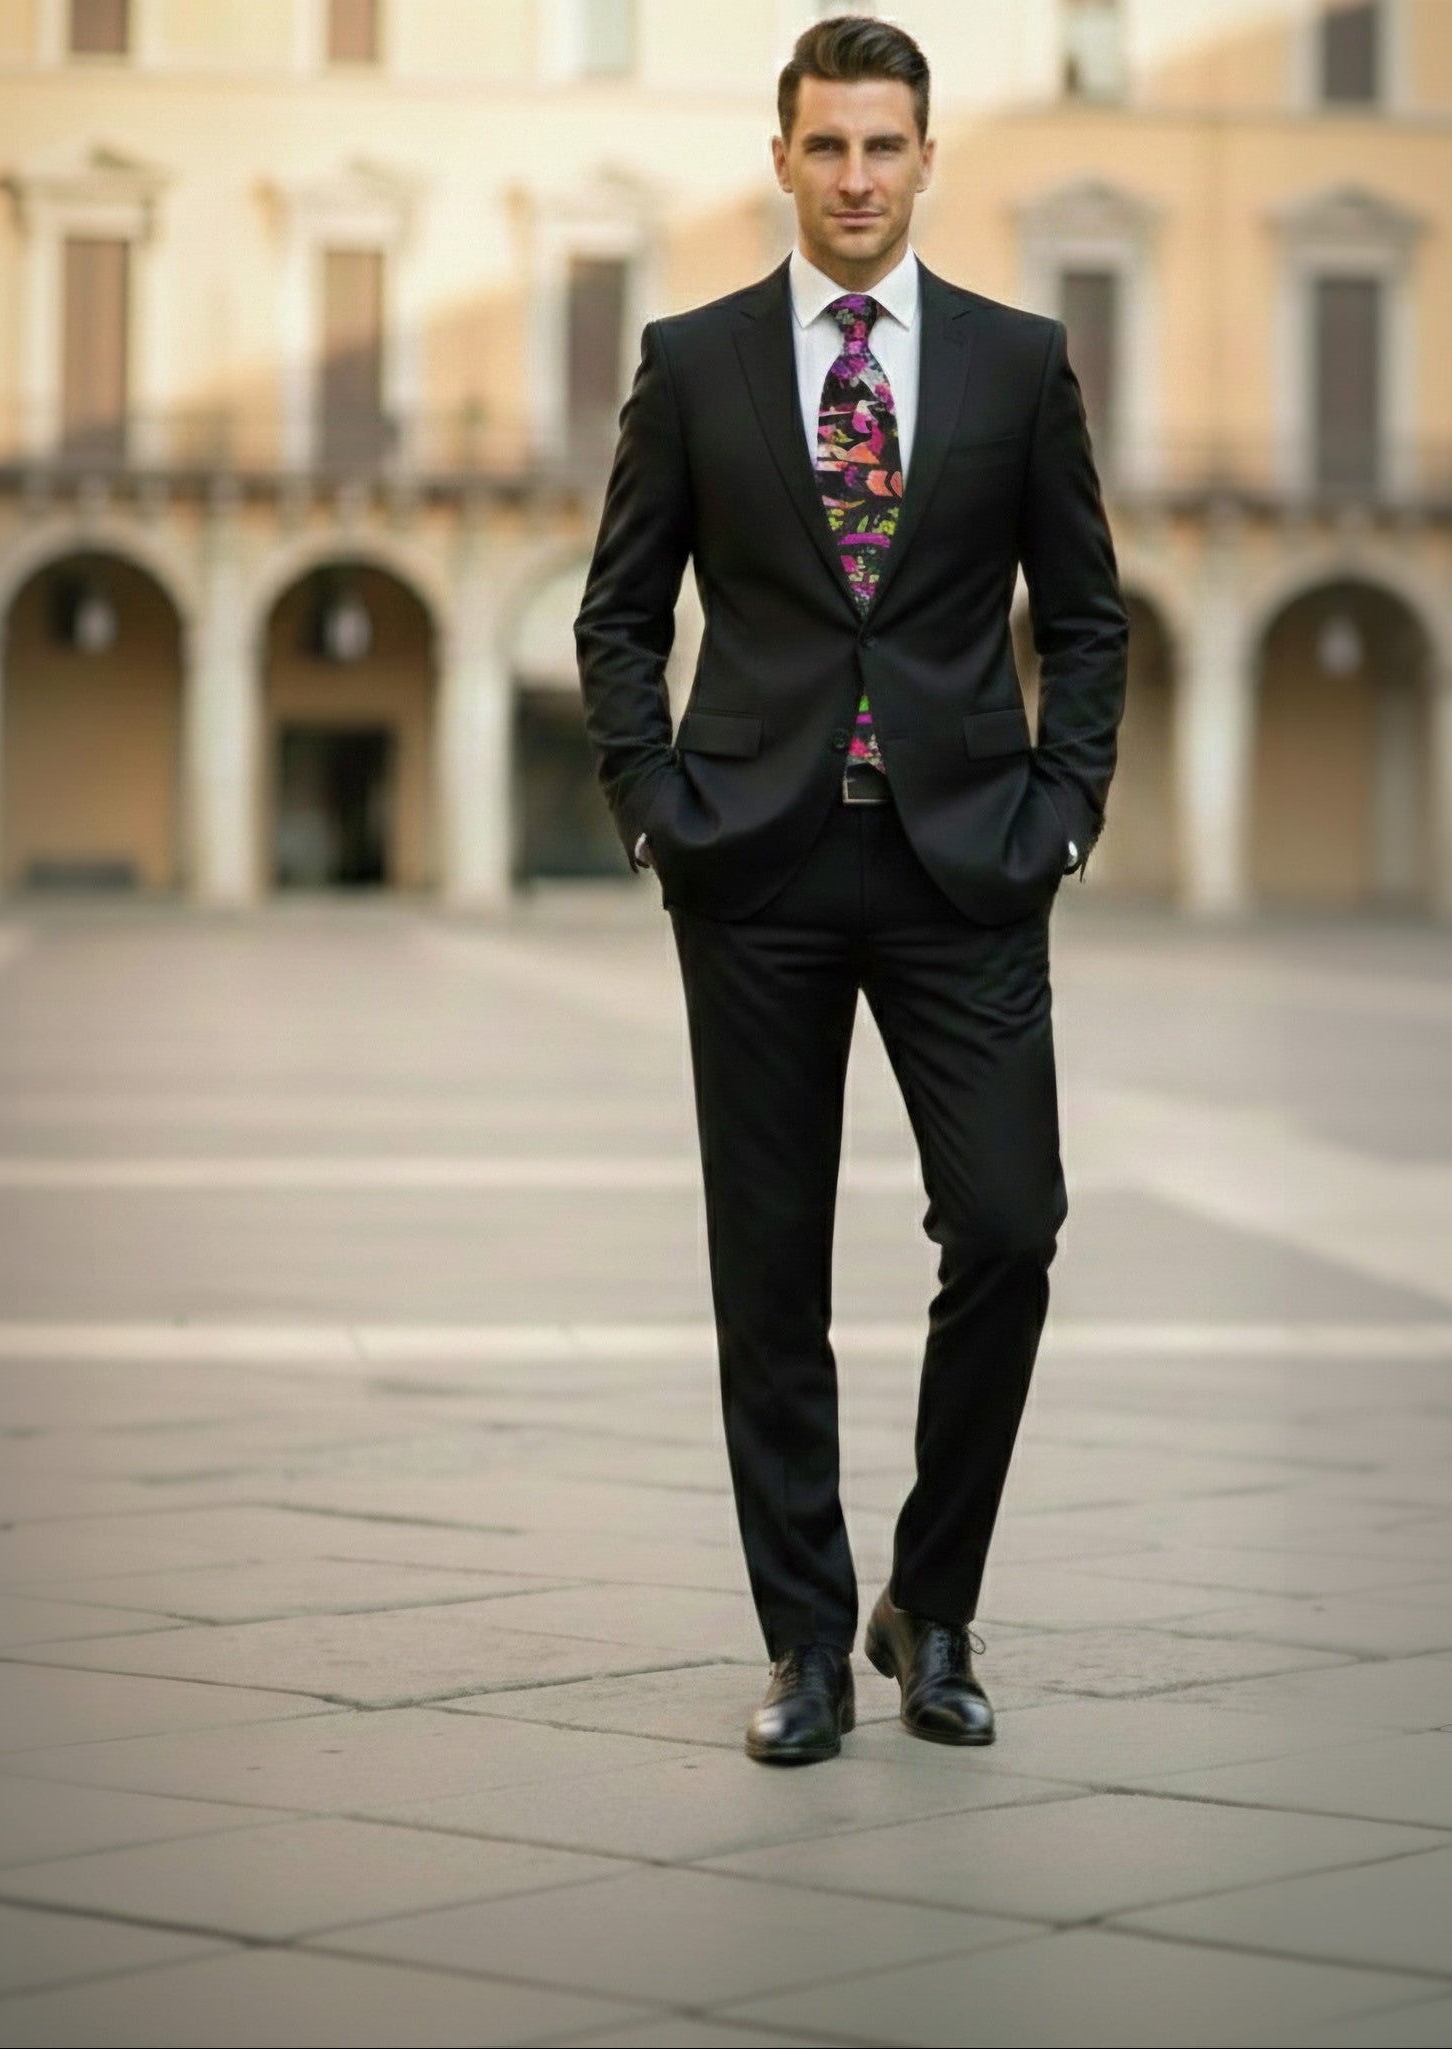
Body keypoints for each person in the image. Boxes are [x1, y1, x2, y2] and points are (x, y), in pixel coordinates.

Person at [577, 14, 1127, 1765]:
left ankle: (932, 1601)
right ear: (782, 161)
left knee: (1013, 1227)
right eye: (826, 146)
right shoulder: (695, 358)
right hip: (758, 862)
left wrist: (1060, 812)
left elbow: (1088, 617)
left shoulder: (1015, 361)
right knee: (768, 1268)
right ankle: (806, 1643)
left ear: (926, 157)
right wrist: (657, 804)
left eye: (884, 146)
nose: (857, 177)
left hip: (968, 863)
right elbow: (615, 614)